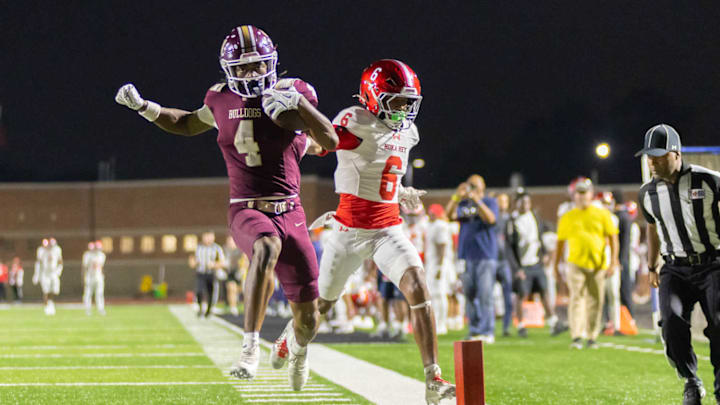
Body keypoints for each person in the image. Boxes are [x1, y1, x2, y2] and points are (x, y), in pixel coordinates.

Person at [115, 25, 338, 390]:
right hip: (246, 208)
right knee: (266, 247)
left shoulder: (293, 92)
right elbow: (187, 123)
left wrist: (300, 106)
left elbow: (328, 140)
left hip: (291, 210)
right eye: (243, 67)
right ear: (228, 69)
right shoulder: (219, 99)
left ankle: (296, 349)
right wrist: (144, 107)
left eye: (257, 66)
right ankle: (249, 351)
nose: (251, 74)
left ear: (272, 63)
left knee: (309, 320)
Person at [271, 59, 454, 404]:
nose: (403, 109)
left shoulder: (409, 133)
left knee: (418, 285)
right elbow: (321, 144)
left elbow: (382, 174)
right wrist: (292, 131)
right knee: (318, 310)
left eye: (407, 102)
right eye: (396, 100)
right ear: (373, 97)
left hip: (387, 229)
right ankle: (292, 343)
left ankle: (434, 379)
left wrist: (400, 193)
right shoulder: (356, 121)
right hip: (347, 232)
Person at [636, 124, 720, 405]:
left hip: (713, 264)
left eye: (659, 155)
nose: (653, 161)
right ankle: (691, 381)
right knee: (671, 324)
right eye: (649, 156)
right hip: (675, 267)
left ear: (676, 153)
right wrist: (651, 266)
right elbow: (652, 226)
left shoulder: (709, 181)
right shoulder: (648, 193)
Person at [553, 178, 619, 350]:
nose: (582, 196)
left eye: (585, 192)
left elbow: (613, 238)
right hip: (575, 263)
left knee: (596, 301)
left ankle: (591, 336)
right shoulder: (567, 216)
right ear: (574, 195)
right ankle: (576, 336)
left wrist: (613, 261)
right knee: (576, 298)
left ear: (591, 194)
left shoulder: (602, 214)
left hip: (598, 264)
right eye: (579, 193)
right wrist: (555, 266)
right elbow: (559, 243)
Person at [446, 174, 499, 343]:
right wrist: (456, 196)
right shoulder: (463, 203)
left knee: (485, 294)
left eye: (475, 186)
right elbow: (448, 215)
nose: (471, 189)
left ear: (482, 187)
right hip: (466, 255)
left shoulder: (490, 202)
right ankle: (475, 330)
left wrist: (478, 200)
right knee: (469, 295)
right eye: (470, 186)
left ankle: (487, 330)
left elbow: (491, 219)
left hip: (485, 255)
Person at [506, 190, 567, 337]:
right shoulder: (512, 221)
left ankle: (553, 322)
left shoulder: (534, 216)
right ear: (516, 203)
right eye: (523, 202)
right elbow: (509, 247)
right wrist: (516, 268)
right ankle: (520, 325)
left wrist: (544, 254)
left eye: (528, 202)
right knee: (522, 294)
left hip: (536, 262)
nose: (526, 205)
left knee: (544, 290)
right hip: (523, 265)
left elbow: (539, 237)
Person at [425, 204, 453, 335]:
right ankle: (437, 321)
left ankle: (442, 322)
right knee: (434, 294)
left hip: (439, 263)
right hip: (433, 262)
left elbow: (442, 247)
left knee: (440, 294)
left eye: (433, 212)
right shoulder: (432, 225)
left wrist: (440, 267)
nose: (430, 214)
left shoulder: (440, 226)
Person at [189, 232, 225, 318]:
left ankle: (208, 310)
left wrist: (214, 265)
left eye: (210, 237)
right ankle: (200, 308)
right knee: (199, 291)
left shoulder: (217, 248)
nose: (208, 239)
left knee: (210, 292)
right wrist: (193, 262)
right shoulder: (198, 247)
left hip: (211, 273)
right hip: (200, 273)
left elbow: (222, 262)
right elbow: (192, 258)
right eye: (206, 237)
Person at [494, 193, 514, 337]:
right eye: (500, 200)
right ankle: (487, 327)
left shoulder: (510, 219)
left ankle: (506, 327)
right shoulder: (491, 218)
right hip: (491, 260)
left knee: (508, 295)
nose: (503, 203)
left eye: (505, 200)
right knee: (487, 296)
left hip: (505, 261)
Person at [32, 238, 63, 315]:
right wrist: (36, 274)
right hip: (45, 273)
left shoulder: (57, 250)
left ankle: (51, 304)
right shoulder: (42, 251)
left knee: (54, 290)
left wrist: (58, 271)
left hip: (53, 272)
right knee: (46, 291)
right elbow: (38, 263)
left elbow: (60, 262)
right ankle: (46, 307)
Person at [82, 241, 107, 315]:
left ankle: (100, 308)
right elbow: (85, 267)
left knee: (99, 293)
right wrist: (84, 276)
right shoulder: (87, 255)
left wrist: (102, 275)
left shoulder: (102, 255)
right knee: (88, 293)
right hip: (90, 277)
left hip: (98, 277)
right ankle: (87, 309)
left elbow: (101, 267)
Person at [224, 236, 245, 316]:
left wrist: (242, 270)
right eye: (228, 241)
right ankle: (233, 307)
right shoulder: (225, 250)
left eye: (231, 241)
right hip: (230, 273)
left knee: (239, 290)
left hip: (239, 273)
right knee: (231, 288)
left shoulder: (240, 251)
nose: (230, 243)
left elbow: (244, 261)